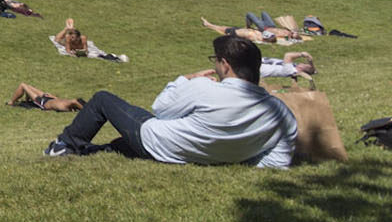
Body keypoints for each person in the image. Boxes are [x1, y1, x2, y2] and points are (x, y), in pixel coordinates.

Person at [46, 35, 296, 166]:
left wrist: (185, 80)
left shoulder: (204, 89)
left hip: (163, 144)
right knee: (121, 144)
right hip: (199, 151)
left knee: (103, 99)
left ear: (225, 65)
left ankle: (64, 145)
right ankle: (91, 151)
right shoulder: (280, 112)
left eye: (216, 60)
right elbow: (278, 160)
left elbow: (160, 109)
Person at [10, 84, 84, 113]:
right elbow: (60, 101)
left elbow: (75, 101)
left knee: (23, 85)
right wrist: (54, 97)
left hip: (43, 102)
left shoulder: (68, 107)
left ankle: (11, 102)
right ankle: (27, 101)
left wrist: (85, 110)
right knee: (28, 86)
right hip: (49, 98)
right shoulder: (68, 104)